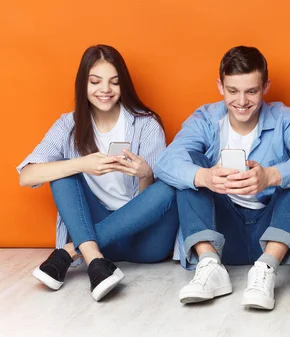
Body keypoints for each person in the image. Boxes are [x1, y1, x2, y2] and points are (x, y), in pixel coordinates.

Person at [154, 46, 290, 310]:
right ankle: (209, 267)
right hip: (221, 236)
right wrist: (205, 177)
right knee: (190, 167)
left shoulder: (288, 118)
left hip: (273, 238)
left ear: (265, 86)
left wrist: (272, 176)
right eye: (233, 91)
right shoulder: (205, 118)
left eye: (251, 91)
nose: (241, 101)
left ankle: (265, 270)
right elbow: (165, 163)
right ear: (220, 86)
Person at [17, 45, 179, 301]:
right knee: (61, 171)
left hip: (145, 242)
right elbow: (26, 175)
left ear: (123, 85)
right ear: (83, 84)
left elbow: (152, 207)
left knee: (169, 187)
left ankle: (71, 251)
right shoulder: (67, 125)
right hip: (99, 243)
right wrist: (81, 164)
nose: (105, 90)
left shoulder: (146, 125)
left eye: (114, 82)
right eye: (96, 81)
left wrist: (145, 175)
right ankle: (96, 262)